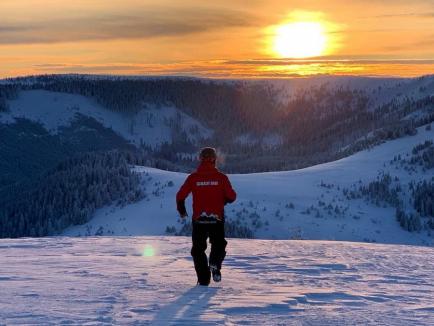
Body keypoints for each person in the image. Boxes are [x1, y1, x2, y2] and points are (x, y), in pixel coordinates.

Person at [176, 147, 237, 286]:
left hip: (199, 219)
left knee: (198, 250)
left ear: (200, 159)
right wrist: (223, 201)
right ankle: (215, 263)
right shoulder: (221, 178)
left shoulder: (193, 178)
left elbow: (180, 196)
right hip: (217, 218)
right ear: (214, 160)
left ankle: (203, 280)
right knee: (219, 244)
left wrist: (181, 210)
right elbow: (232, 196)